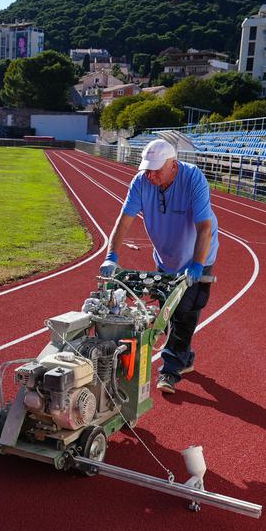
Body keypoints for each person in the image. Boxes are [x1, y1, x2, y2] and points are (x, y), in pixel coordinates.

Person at [103, 138, 219, 394]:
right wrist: (112, 256)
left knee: (184, 311)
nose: (151, 175)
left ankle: (170, 369)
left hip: (197, 256)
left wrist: (198, 265)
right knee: (165, 313)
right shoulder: (142, 182)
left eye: (157, 170)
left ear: (174, 165)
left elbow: (204, 227)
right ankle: (184, 355)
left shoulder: (193, 180)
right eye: (148, 169)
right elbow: (124, 221)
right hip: (166, 256)